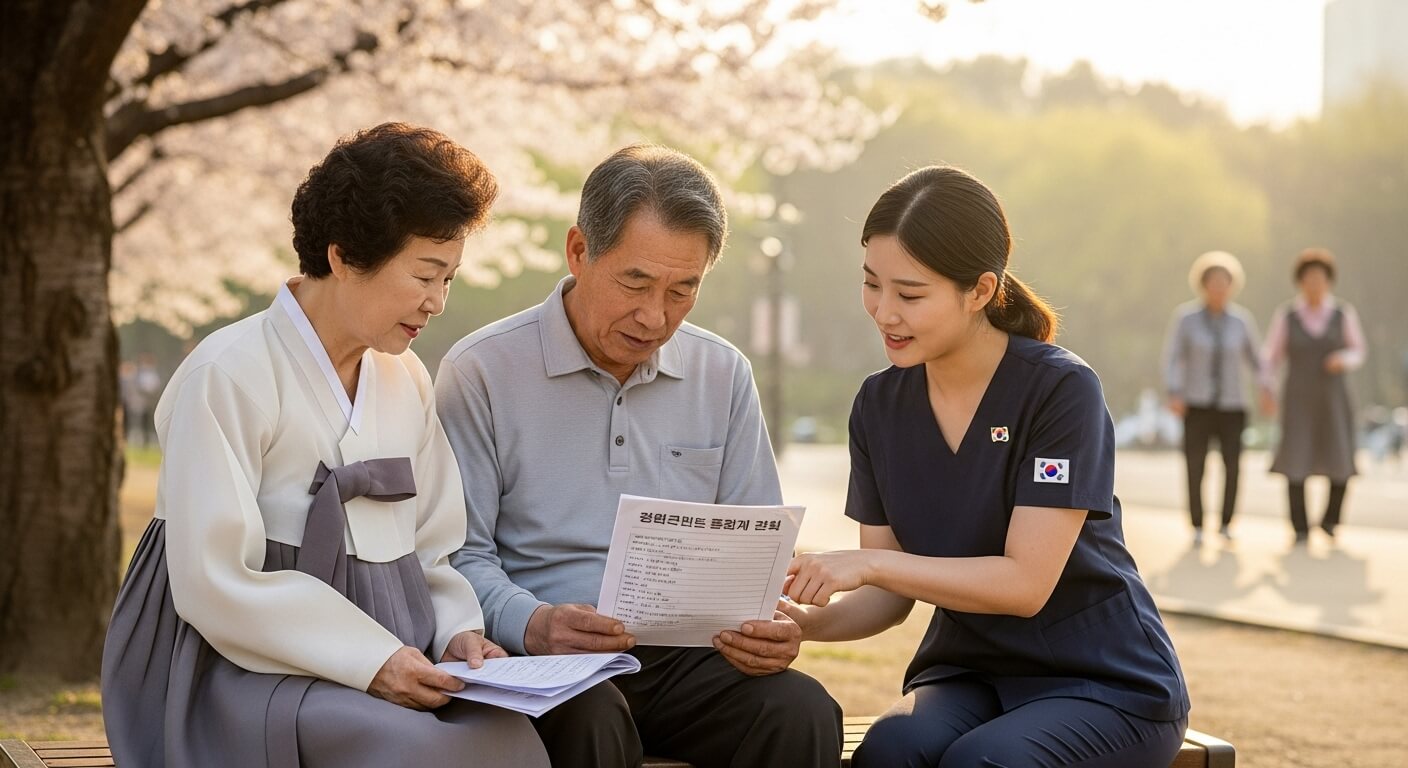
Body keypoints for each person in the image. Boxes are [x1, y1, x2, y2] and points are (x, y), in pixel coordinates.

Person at [100, 123, 550, 768]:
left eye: (448, 279)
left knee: (510, 741)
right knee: (416, 754)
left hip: (397, 649)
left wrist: (456, 635)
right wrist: (370, 661)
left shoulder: (406, 378)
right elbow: (212, 581)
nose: (437, 302)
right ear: (343, 257)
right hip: (239, 666)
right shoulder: (226, 373)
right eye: (425, 275)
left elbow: (434, 547)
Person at [436, 144, 843, 768]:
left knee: (802, 709)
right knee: (591, 717)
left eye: (684, 290)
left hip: (690, 659)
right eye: (636, 282)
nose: (656, 316)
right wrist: (534, 622)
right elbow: (457, 553)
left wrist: (770, 625)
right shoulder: (482, 370)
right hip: (547, 662)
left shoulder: (722, 371)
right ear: (579, 251)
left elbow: (756, 546)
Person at [782, 166, 1190, 767]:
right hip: (971, 674)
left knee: (986, 763)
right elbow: (890, 597)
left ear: (979, 291)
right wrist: (804, 627)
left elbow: (1025, 586)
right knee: (889, 751)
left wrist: (868, 563)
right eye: (872, 284)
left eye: (911, 294)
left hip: (1104, 680)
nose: (884, 312)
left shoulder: (1061, 390)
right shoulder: (879, 404)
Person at [1161, 251, 1272, 544]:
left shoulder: (1241, 321)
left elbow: (1258, 360)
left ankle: (1226, 523)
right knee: (1195, 465)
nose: (1219, 287)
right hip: (1196, 403)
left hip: (1233, 404)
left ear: (1232, 285)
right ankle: (1197, 524)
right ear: (1203, 284)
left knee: (1233, 465)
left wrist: (1266, 388)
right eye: (1213, 281)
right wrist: (1174, 390)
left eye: (1224, 282)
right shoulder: (1186, 319)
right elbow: (1172, 357)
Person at [1263, 247, 1367, 543]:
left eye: (1320, 278)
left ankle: (1331, 519)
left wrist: (1343, 359)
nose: (1314, 284)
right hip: (1297, 397)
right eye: (1309, 278)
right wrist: (1267, 388)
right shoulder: (1287, 316)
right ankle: (1299, 526)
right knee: (1295, 458)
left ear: (1329, 281)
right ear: (1300, 282)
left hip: (1334, 397)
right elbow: (1271, 356)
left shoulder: (1342, 314)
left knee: (1341, 456)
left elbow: (1359, 350)